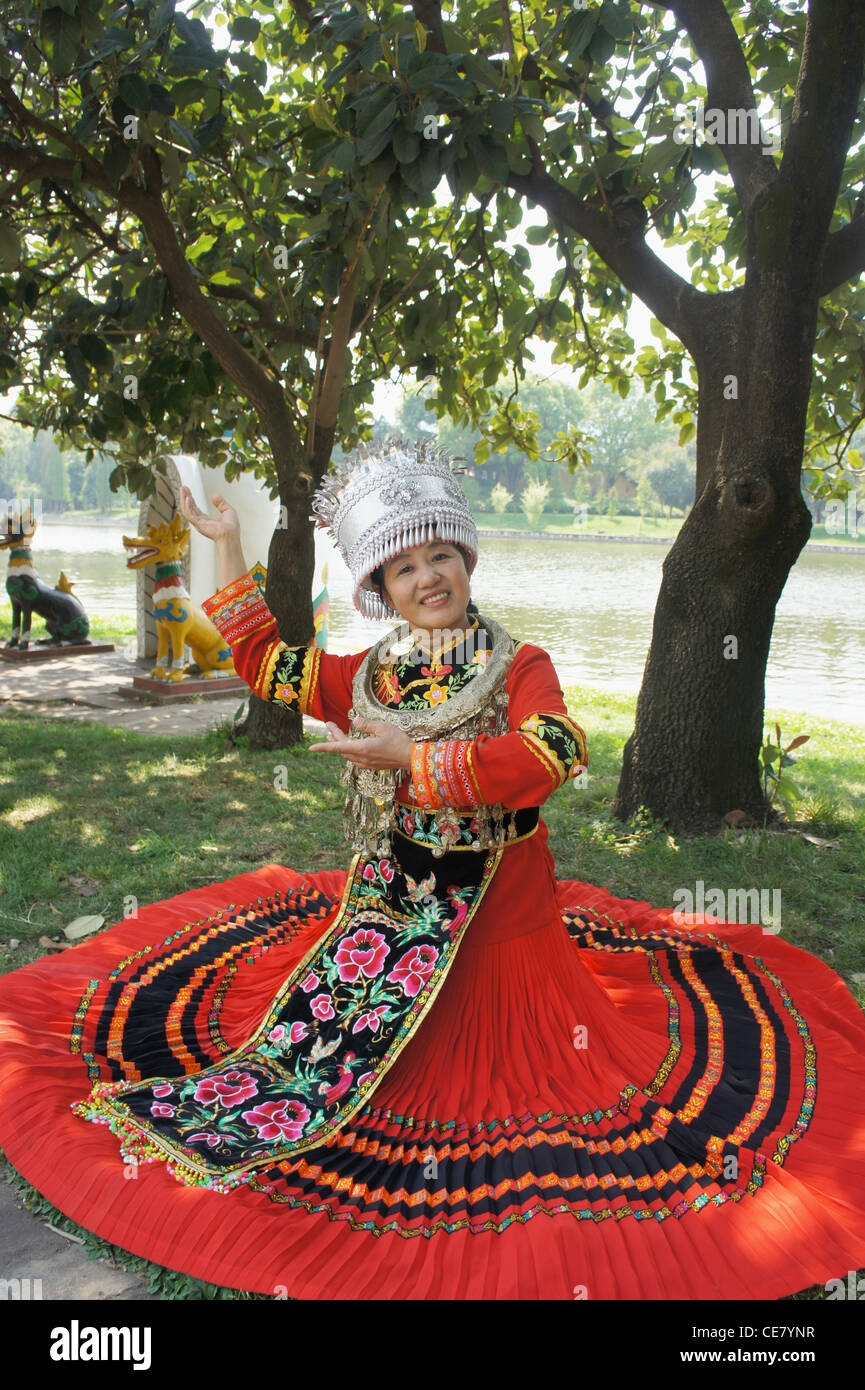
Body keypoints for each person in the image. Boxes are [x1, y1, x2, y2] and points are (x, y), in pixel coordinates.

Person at [0, 436, 864, 1302]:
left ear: (467, 559)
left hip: (502, 939)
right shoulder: (370, 671)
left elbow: (555, 750)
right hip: (384, 920)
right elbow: (267, 664)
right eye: (403, 567)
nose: (428, 577)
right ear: (379, 590)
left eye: (441, 556)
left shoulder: (516, 664)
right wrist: (224, 542)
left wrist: (417, 761)